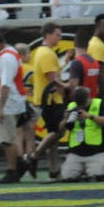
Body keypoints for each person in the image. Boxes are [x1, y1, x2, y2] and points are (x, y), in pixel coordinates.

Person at [24, 23, 68, 180]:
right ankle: (34, 156)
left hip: (48, 99)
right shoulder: (47, 54)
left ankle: (54, 170)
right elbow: (54, 81)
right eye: (57, 34)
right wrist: (69, 87)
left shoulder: (44, 52)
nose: (60, 37)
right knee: (56, 132)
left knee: (54, 138)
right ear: (48, 35)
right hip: (51, 99)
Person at [0, 29, 28, 184]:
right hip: (7, 103)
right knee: (2, 138)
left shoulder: (6, 58)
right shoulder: (8, 53)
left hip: (7, 104)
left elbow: (5, 85)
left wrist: (1, 108)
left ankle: (12, 171)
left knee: (6, 140)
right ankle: (19, 163)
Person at [59, 86, 104, 181]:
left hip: (96, 152)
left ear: (89, 97)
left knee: (97, 176)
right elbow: (61, 131)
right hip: (76, 153)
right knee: (68, 178)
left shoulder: (100, 103)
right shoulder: (71, 106)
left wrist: (89, 116)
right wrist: (65, 119)